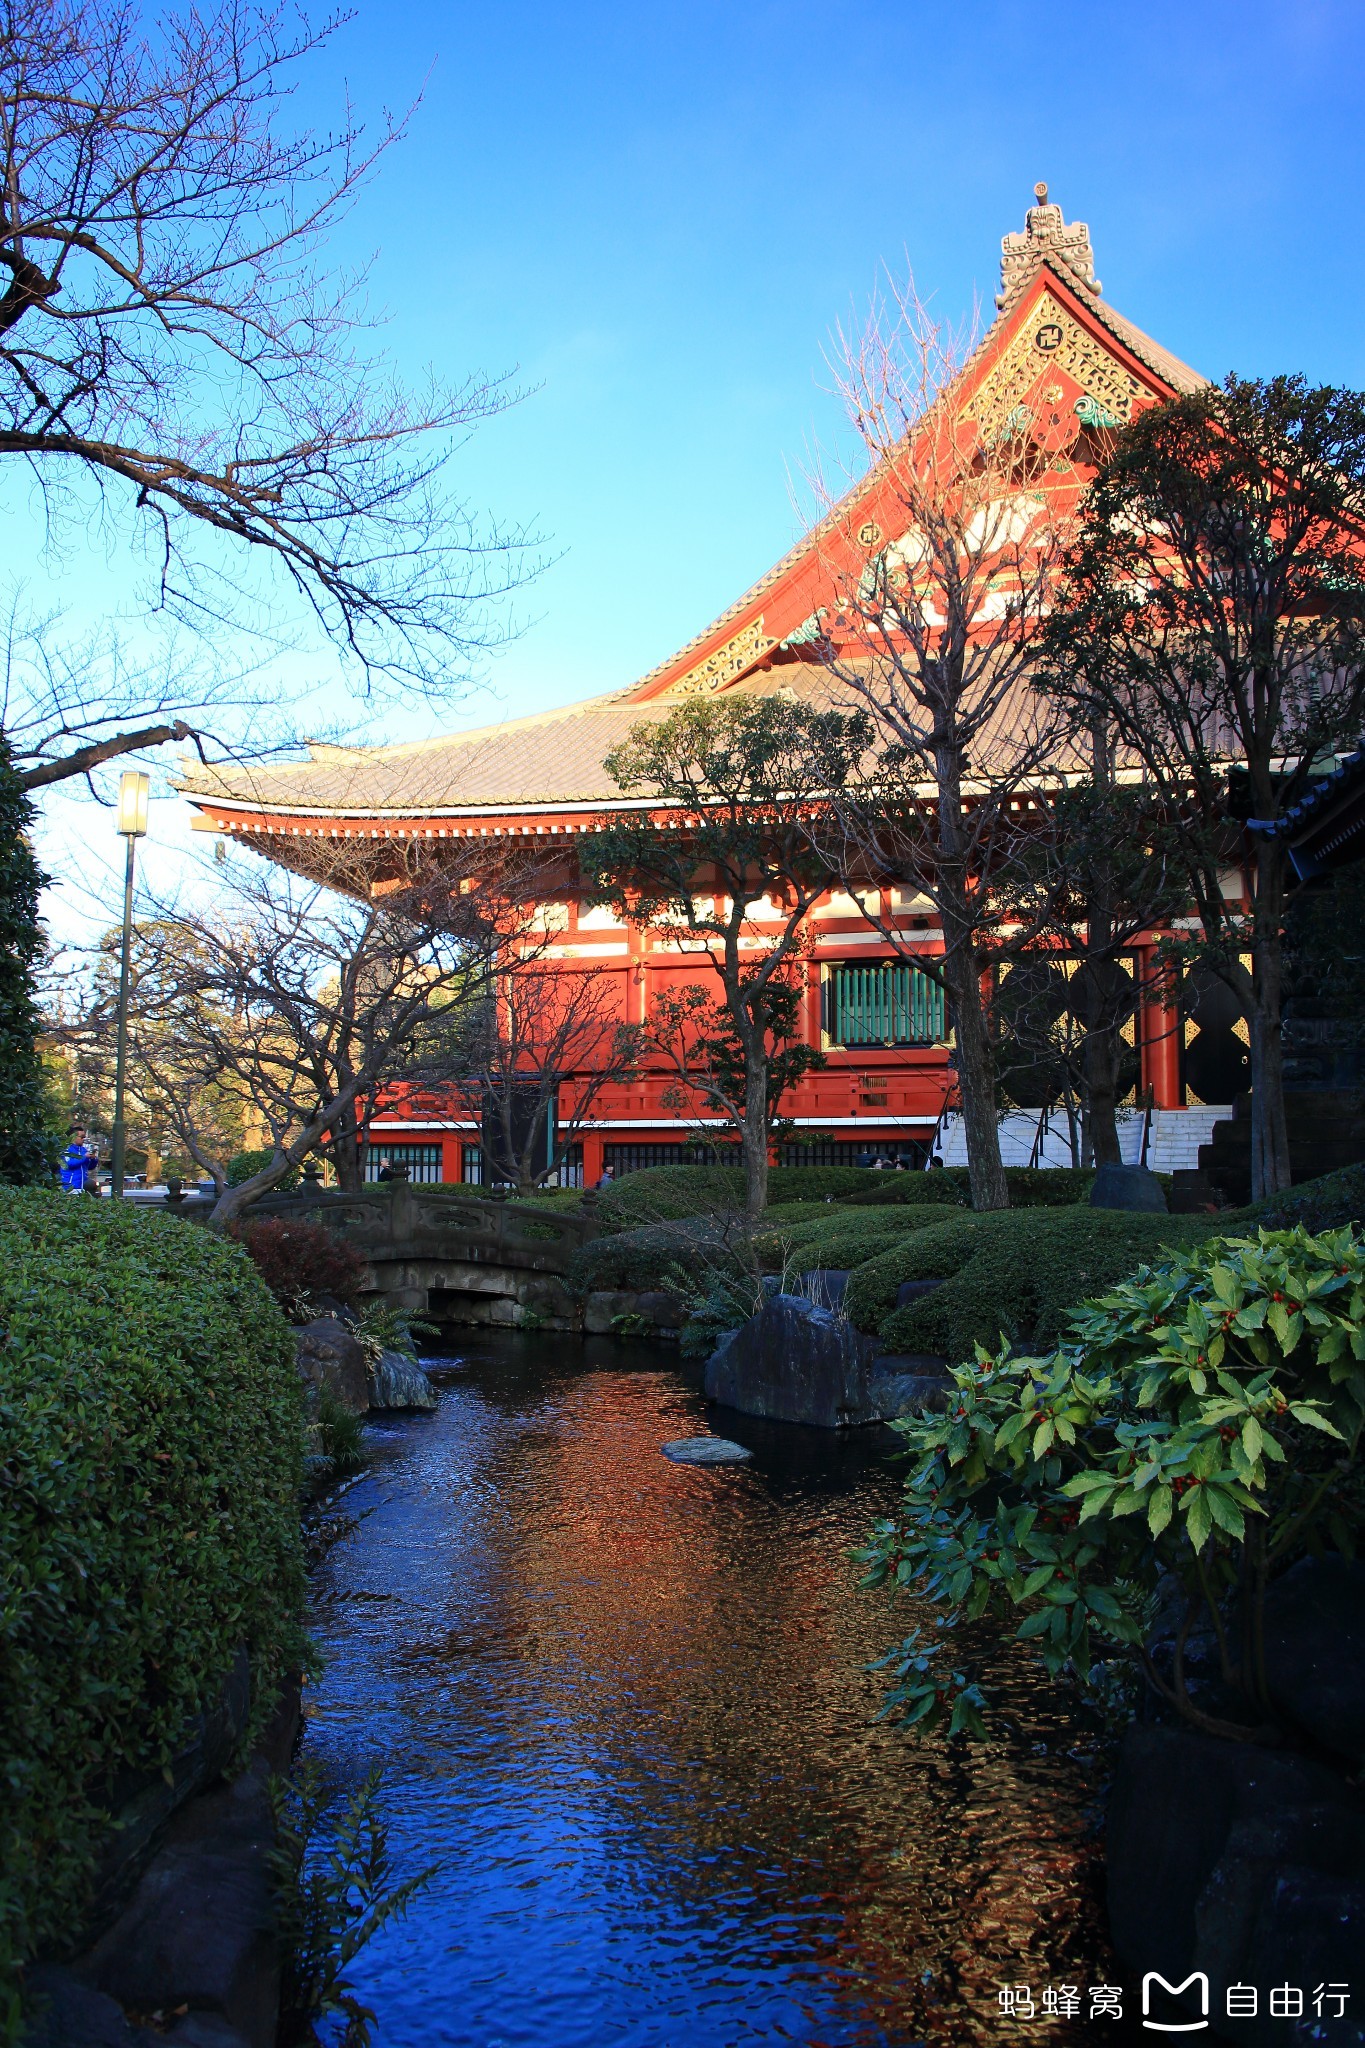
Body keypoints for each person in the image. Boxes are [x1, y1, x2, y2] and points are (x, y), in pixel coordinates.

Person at [60, 1126, 98, 1193]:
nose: (83, 1139)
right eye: (82, 1137)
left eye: (84, 1137)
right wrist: (84, 1157)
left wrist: (93, 1159)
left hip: (82, 1187)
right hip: (69, 1187)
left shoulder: (84, 1150)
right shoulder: (66, 1149)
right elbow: (69, 1164)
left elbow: (90, 1167)